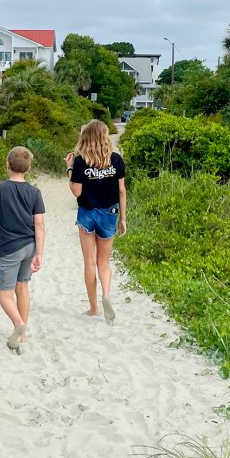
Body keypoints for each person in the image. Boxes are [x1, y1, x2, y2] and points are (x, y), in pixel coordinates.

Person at [0, 146, 46, 351]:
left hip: (10, 249)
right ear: (29, 168)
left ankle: (18, 324)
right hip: (29, 246)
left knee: (5, 295)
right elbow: (40, 224)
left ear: (7, 165)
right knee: (22, 288)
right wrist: (39, 253)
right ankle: (21, 336)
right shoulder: (35, 192)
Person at [65, 120, 127, 322]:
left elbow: (76, 191)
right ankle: (106, 295)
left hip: (87, 214)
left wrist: (69, 169)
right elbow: (121, 191)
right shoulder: (116, 160)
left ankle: (93, 309)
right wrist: (123, 219)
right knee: (104, 262)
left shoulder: (81, 161)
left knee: (89, 262)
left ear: (87, 137)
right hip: (110, 213)